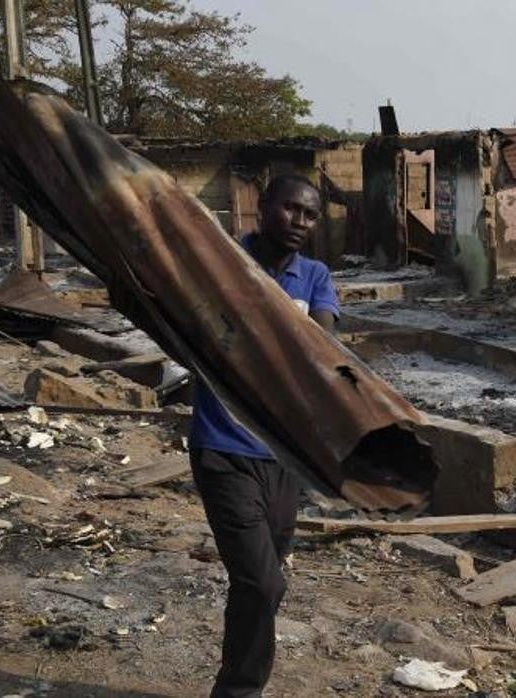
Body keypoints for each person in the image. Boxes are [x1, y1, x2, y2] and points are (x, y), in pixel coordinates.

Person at [189, 174, 338, 697]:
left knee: (261, 583)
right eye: (290, 209)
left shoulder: (315, 276)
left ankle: (234, 679)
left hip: (283, 458)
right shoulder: (224, 263)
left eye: (311, 215)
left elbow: (321, 346)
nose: (300, 222)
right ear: (262, 207)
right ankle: (239, 692)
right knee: (262, 581)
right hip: (223, 448)